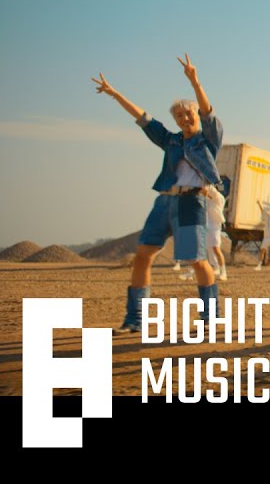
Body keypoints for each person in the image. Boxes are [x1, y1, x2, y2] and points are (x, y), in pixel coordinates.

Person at [95, 55, 223, 333]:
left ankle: (210, 317)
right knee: (143, 254)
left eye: (188, 113)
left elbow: (208, 112)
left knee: (196, 260)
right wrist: (115, 94)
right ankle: (135, 319)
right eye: (179, 116)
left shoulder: (208, 140)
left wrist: (194, 81)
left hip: (191, 202)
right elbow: (143, 118)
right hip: (164, 202)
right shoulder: (171, 140)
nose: (185, 118)